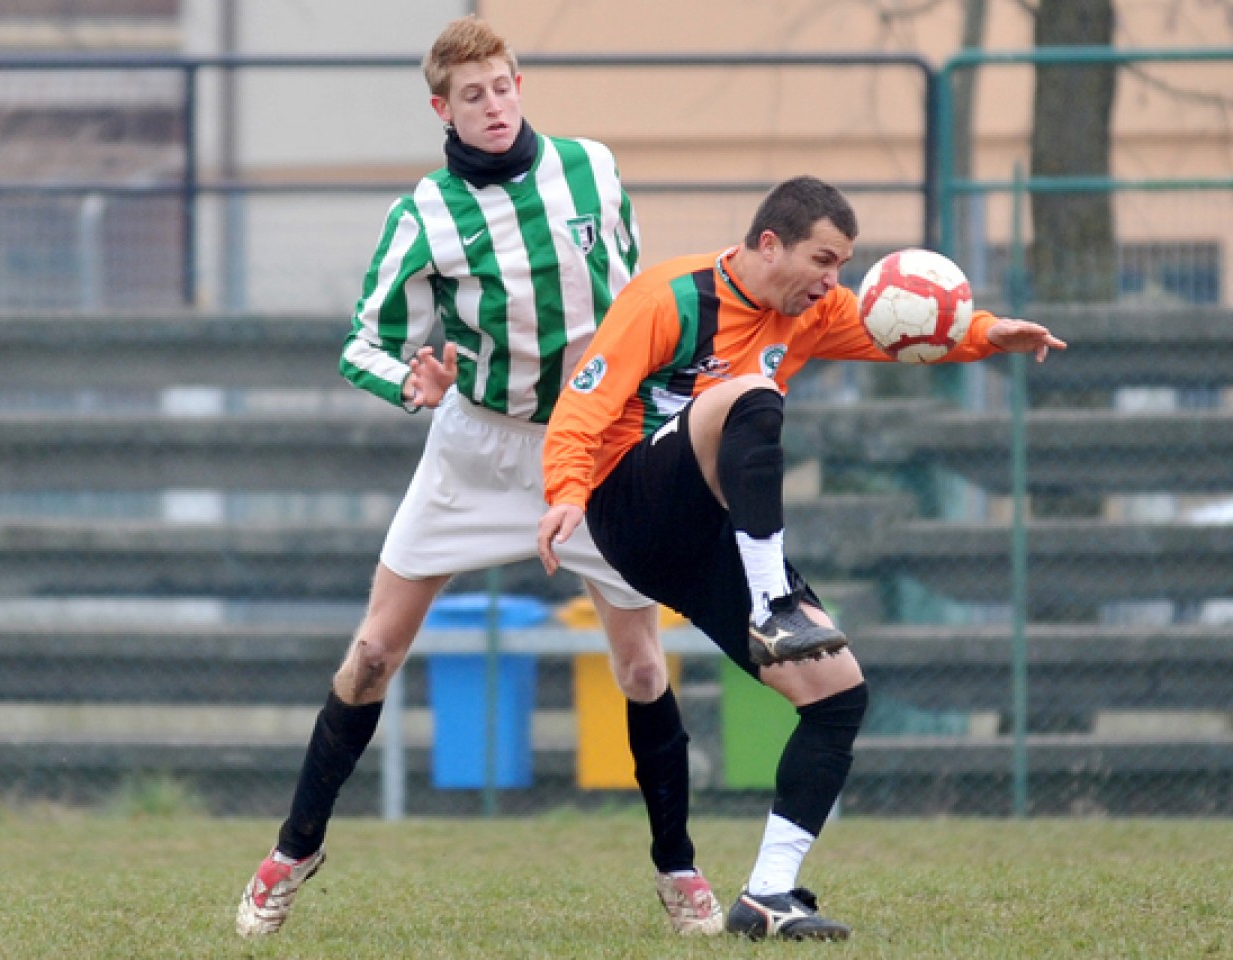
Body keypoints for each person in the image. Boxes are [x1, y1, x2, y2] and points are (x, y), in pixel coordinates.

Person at [236, 16, 731, 939]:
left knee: (637, 664)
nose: (495, 105)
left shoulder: (592, 166)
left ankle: (680, 870)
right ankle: (293, 848)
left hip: (594, 446)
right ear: (443, 108)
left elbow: (632, 294)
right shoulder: (424, 214)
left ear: (518, 85)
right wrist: (411, 381)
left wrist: (660, 388)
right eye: (474, 95)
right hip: (478, 448)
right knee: (374, 653)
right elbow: (363, 341)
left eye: (503, 86)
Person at [538, 175, 1066, 940]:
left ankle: (766, 895)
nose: (834, 281)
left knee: (837, 695)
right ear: (767, 244)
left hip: (707, 536)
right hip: (632, 505)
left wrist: (989, 334)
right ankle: (772, 605)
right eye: (824, 259)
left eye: (844, 265)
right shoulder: (670, 298)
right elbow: (584, 403)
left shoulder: (813, 311)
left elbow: (900, 327)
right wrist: (563, 490)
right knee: (751, 395)